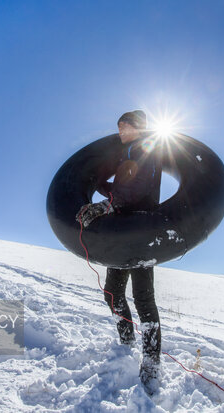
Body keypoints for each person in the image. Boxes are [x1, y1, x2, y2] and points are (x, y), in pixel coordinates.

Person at [75, 110, 163, 395]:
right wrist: (101, 185)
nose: (120, 131)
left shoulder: (147, 150)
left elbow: (137, 188)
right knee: (112, 293)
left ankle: (151, 363)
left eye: (124, 126)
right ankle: (127, 340)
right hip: (123, 231)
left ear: (137, 127)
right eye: (119, 127)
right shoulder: (131, 153)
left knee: (143, 299)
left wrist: (104, 205)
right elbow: (126, 184)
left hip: (140, 229)